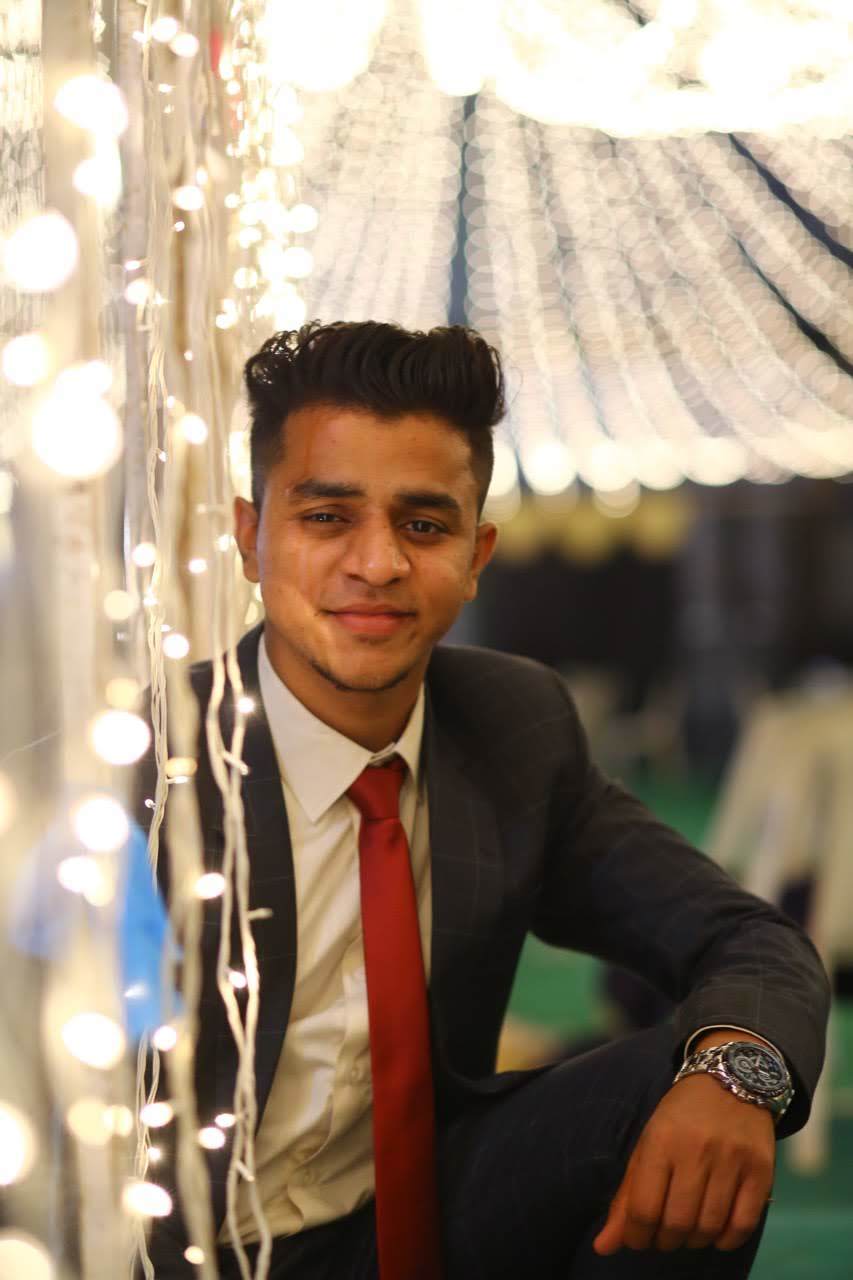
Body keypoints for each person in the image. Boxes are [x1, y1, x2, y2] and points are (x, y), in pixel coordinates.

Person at [135, 321, 829, 1279]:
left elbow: (744, 938)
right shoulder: (148, 768)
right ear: (252, 538)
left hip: (420, 1219)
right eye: (327, 517)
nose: (377, 563)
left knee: (677, 1087)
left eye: (423, 526)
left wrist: (734, 1075)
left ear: (475, 553)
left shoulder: (510, 726)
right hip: (180, 1251)